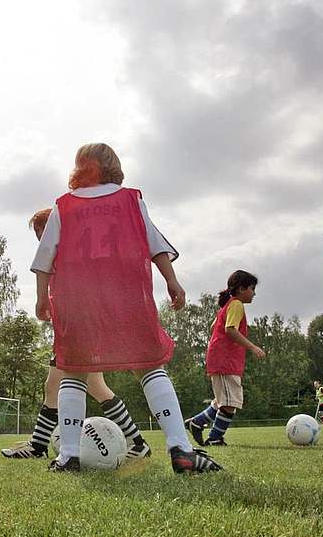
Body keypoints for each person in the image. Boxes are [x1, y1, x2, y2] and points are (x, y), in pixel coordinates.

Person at [32, 143, 221, 473]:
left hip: (78, 303)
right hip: (127, 296)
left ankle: (69, 456)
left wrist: (41, 299)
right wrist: (171, 280)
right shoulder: (132, 199)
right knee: (150, 366)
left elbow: (44, 258)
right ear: (114, 166)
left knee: (74, 371)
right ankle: (181, 450)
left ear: (79, 168)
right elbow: (154, 242)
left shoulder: (63, 206)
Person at [1, 208, 151, 460]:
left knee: (55, 385)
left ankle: (38, 447)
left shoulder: (70, 255)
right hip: (77, 327)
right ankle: (138, 441)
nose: (41, 240)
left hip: (81, 328)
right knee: (96, 388)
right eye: (38, 235)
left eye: (42, 232)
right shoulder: (66, 255)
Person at [184, 270, 266, 445]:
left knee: (223, 400)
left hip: (223, 360)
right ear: (242, 288)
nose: (254, 293)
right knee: (230, 402)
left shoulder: (227, 305)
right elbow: (230, 329)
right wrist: (252, 346)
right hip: (225, 361)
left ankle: (196, 423)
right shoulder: (236, 305)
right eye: (252, 288)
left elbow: (214, 326)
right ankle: (214, 438)